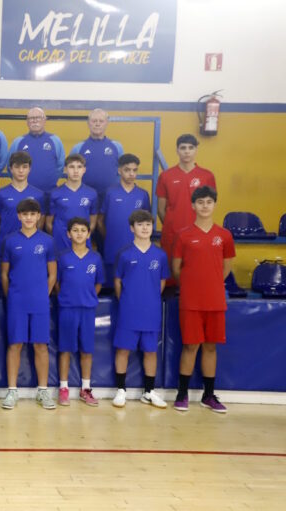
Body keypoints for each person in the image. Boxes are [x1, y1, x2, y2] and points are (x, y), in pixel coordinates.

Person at [172, 186, 235, 413]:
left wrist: (211, 282)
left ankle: (208, 395)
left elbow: (226, 266)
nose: (205, 206)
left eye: (209, 202)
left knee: (210, 347)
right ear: (193, 205)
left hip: (215, 300)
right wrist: (193, 284)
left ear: (214, 204)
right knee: (190, 346)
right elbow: (177, 269)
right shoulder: (184, 235)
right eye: (200, 202)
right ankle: (182, 393)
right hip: (190, 301)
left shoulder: (225, 235)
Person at [1, 199, 57, 410]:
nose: (28, 218)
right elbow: (4, 274)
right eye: (24, 214)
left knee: (40, 345)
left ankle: (43, 391)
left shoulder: (48, 241)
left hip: (40, 302)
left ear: (38, 216)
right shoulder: (9, 241)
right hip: (17, 301)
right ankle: (12, 391)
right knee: (15, 344)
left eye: (32, 214)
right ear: (19, 216)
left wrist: (43, 294)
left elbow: (52, 274)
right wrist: (12, 296)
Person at [112, 209, 169, 409]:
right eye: (140, 224)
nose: (145, 228)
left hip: (151, 311)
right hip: (128, 310)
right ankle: (121, 390)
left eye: (148, 224)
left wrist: (150, 299)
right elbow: (118, 282)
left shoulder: (160, 255)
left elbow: (161, 283)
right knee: (123, 349)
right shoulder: (124, 254)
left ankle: (149, 391)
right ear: (132, 228)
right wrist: (128, 300)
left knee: (150, 351)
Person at [56, 217, 105, 407]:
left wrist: (89, 296)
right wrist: (68, 297)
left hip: (88, 309)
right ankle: (63, 388)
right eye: (75, 230)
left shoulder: (95, 258)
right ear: (68, 234)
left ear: (88, 233)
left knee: (87, 350)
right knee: (66, 349)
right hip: (68, 308)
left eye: (83, 230)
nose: (79, 233)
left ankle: (86, 388)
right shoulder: (62, 257)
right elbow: (57, 283)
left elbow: (99, 282)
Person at [156, 134, 216, 276]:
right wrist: (172, 225)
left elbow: (210, 206)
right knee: (171, 276)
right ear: (177, 150)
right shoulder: (166, 176)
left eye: (191, 148)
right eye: (183, 148)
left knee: (195, 274)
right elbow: (160, 208)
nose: (187, 151)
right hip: (172, 234)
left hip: (198, 234)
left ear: (196, 150)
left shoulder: (207, 176)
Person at [98, 154, 151, 286]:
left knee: (134, 286)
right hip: (113, 249)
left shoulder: (143, 194)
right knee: (112, 289)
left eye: (134, 170)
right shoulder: (109, 192)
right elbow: (99, 221)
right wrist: (110, 237)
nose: (131, 173)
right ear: (119, 170)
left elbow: (147, 224)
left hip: (136, 250)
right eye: (127, 170)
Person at [0, 151, 46, 255]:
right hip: (5, 246)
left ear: (29, 169)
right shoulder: (0, 194)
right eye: (17, 167)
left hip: (30, 246)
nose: (21, 171)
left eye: (24, 167)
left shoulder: (38, 195)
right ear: (11, 169)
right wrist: (6, 236)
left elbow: (40, 223)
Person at [46, 154, 98, 254]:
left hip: (83, 244)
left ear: (84, 170)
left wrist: (81, 236)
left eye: (79, 167)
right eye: (71, 167)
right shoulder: (55, 193)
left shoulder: (92, 193)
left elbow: (93, 223)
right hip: (60, 244)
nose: (75, 171)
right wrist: (59, 236)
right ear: (65, 169)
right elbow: (48, 224)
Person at [69, 109, 124, 201]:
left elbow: (122, 170)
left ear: (106, 123)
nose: (97, 124)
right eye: (94, 121)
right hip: (85, 197)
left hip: (110, 196)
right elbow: (70, 172)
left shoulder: (117, 147)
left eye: (101, 121)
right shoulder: (78, 148)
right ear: (88, 123)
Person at [8, 107, 65, 193]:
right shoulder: (18, 142)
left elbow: (60, 166)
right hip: (23, 193)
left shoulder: (55, 140)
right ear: (27, 122)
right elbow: (10, 166)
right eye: (31, 118)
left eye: (38, 117)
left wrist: (49, 180)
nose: (35, 120)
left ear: (45, 120)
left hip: (49, 192)